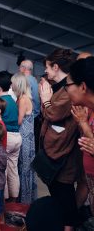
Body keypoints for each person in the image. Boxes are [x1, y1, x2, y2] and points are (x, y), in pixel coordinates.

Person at [39, 48, 82, 230]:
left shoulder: (68, 89)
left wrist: (46, 100)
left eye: (47, 67)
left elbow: (53, 113)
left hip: (64, 150)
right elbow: (47, 113)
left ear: (56, 67)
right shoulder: (58, 87)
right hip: (54, 147)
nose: (46, 72)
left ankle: (68, 226)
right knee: (56, 190)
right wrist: (46, 102)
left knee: (64, 193)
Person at [65, 57, 94, 216]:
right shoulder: (88, 110)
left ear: (82, 86)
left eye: (68, 85)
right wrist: (83, 122)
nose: (66, 90)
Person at [0, 71, 22, 202]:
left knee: (2, 170)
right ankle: (14, 199)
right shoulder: (12, 100)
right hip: (17, 137)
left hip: (6, 137)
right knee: (13, 169)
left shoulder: (0, 101)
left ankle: (3, 199)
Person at [11, 73, 37, 204]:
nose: (11, 85)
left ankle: (24, 202)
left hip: (25, 138)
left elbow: (19, 121)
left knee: (24, 169)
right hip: (28, 138)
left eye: (13, 83)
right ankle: (26, 199)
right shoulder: (25, 98)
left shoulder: (22, 99)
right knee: (26, 169)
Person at [19, 60, 41, 153]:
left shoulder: (25, 80)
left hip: (28, 116)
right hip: (34, 114)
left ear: (23, 68)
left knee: (25, 145)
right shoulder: (34, 79)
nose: (19, 69)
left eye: (19, 67)